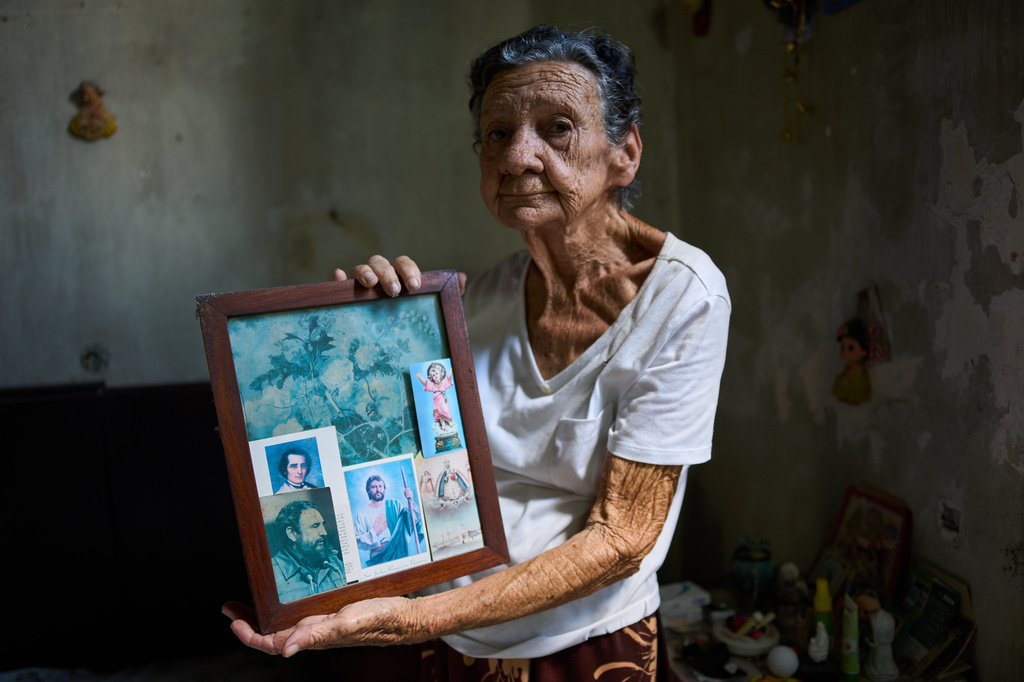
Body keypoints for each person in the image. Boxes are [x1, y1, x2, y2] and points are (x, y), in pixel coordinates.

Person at [224, 24, 730, 680]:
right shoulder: (471, 304)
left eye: (557, 127)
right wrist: (367, 333)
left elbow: (622, 539)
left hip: (580, 643)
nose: (518, 156)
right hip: (455, 635)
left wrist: (412, 620)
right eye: (497, 134)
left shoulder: (682, 296)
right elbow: (400, 463)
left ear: (624, 155)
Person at [270, 500, 346, 604]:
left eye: (322, 525)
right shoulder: (271, 575)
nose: (324, 532)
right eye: (315, 526)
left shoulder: (338, 562)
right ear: (292, 533)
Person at [353, 474, 425, 566]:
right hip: (378, 557)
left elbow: (410, 522)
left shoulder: (395, 505)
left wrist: (410, 500)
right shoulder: (362, 514)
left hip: (398, 552)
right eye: (374, 487)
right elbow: (358, 541)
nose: (378, 489)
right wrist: (374, 532)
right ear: (368, 490)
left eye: (380, 486)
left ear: (384, 489)